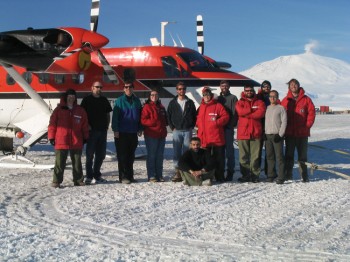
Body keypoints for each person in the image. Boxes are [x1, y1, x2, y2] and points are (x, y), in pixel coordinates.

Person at [48, 88, 89, 188]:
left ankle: (78, 180)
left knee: (77, 161)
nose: (71, 98)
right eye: (69, 97)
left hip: (76, 139)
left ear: (75, 98)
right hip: (62, 139)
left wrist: (85, 136)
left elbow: (84, 125)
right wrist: (51, 137)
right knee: (59, 162)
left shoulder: (80, 110)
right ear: (66, 97)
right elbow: (52, 124)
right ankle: (56, 181)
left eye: (73, 97)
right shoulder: (58, 110)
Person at [281, 79, 315, 182]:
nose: (293, 86)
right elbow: (281, 114)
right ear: (289, 87)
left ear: (299, 86)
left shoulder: (306, 99)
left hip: (302, 133)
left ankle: (304, 176)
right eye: (291, 85)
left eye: (295, 84)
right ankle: (288, 174)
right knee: (289, 155)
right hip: (290, 133)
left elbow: (311, 113)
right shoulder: (285, 100)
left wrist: (307, 125)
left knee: (302, 156)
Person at [81, 81, 112, 185]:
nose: (99, 89)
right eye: (97, 87)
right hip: (91, 131)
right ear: (92, 88)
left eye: (100, 87)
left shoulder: (104, 100)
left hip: (103, 131)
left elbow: (108, 113)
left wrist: (107, 125)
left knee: (101, 154)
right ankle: (89, 176)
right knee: (90, 155)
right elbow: (82, 115)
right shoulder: (86, 100)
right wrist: (86, 125)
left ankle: (97, 175)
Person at [112, 81, 143, 184]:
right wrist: (115, 129)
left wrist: (140, 128)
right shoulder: (119, 101)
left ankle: (130, 176)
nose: (128, 89)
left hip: (133, 132)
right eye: (126, 87)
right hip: (122, 132)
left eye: (130, 87)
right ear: (123, 89)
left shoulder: (137, 101)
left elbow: (140, 116)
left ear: (133, 88)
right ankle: (123, 176)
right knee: (122, 155)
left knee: (131, 155)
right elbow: (115, 117)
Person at [196, 86, 229, 182]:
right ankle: (208, 176)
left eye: (208, 94)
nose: (206, 96)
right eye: (204, 94)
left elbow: (225, 117)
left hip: (216, 138)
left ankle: (220, 176)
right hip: (204, 139)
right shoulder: (201, 107)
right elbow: (198, 119)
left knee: (219, 159)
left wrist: (216, 123)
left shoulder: (218, 106)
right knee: (206, 160)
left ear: (211, 95)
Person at [167, 81, 197, 182]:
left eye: (183, 89)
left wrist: (191, 126)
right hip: (177, 131)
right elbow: (168, 116)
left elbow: (194, 115)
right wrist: (172, 127)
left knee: (187, 152)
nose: (181, 91)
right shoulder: (172, 102)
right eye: (180, 89)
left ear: (185, 90)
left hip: (187, 130)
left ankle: (186, 172)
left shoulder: (190, 102)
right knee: (176, 152)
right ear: (177, 90)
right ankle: (178, 172)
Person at [235, 85, 266, 183]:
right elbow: (240, 112)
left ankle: (255, 175)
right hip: (243, 133)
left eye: (250, 90)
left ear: (253, 91)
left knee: (255, 156)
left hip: (256, 133)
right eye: (247, 90)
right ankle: (245, 175)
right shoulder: (240, 102)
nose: (249, 92)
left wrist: (247, 114)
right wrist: (251, 110)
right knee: (243, 157)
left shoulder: (260, 102)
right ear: (244, 91)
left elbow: (260, 113)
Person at [141, 90, 168, 182]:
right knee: (152, 155)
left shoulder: (161, 107)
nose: (154, 96)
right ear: (149, 96)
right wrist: (154, 122)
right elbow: (143, 120)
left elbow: (165, 120)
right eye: (152, 95)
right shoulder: (147, 107)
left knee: (160, 156)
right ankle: (151, 175)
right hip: (151, 135)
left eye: (156, 94)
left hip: (161, 134)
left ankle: (159, 175)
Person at [264, 90, 287, 184]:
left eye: (274, 96)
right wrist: (264, 133)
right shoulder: (267, 108)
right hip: (268, 135)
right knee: (269, 156)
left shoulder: (281, 108)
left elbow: (284, 122)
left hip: (277, 135)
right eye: (270, 96)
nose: (272, 98)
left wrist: (280, 134)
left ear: (277, 98)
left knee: (279, 157)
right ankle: (271, 175)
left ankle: (281, 176)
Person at [217, 80, 238, 181]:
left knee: (229, 152)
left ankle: (230, 172)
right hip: (219, 129)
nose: (224, 87)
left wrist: (231, 125)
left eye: (226, 85)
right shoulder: (217, 98)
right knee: (220, 152)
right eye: (222, 85)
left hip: (228, 128)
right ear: (220, 87)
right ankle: (220, 172)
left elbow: (235, 114)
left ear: (229, 87)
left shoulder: (233, 98)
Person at [257, 80, 272, 176]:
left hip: (269, 127)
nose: (266, 88)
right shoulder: (258, 98)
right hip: (259, 126)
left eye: (268, 86)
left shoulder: (273, 98)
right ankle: (256, 172)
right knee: (257, 152)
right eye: (264, 86)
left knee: (269, 152)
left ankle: (269, 171)